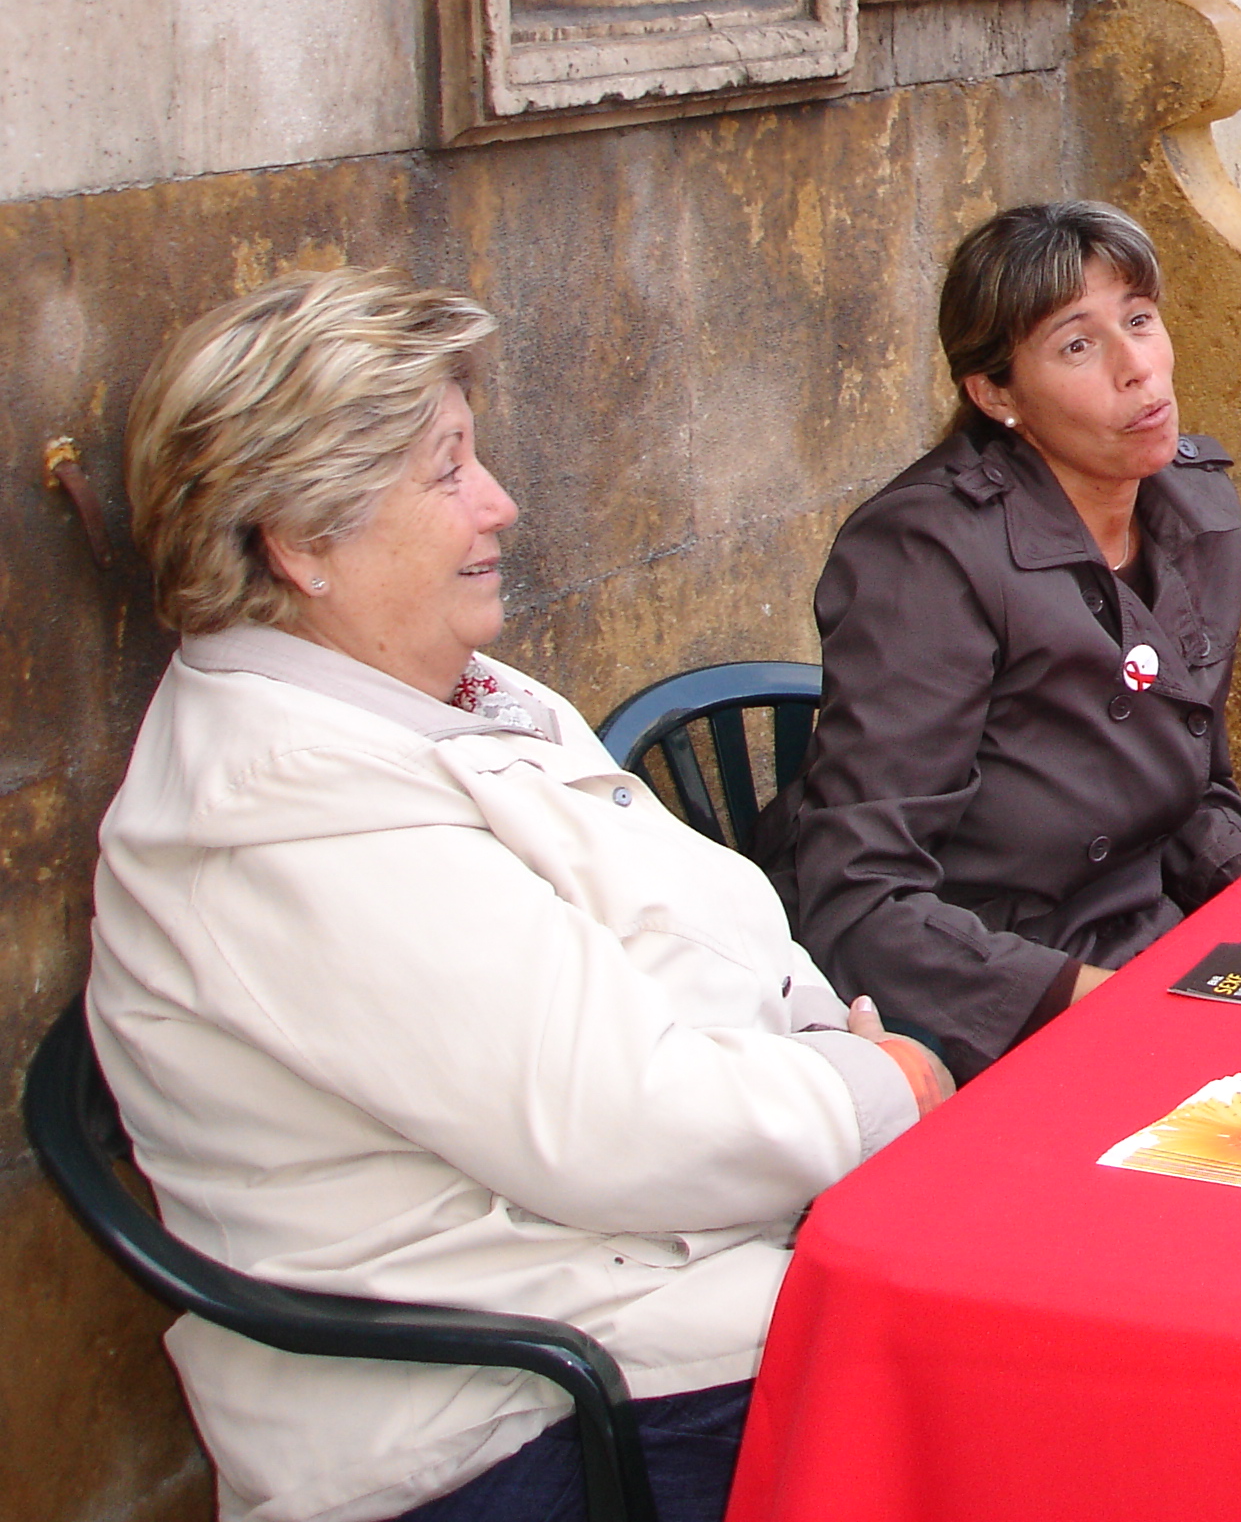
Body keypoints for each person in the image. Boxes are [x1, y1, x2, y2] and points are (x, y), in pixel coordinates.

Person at [90, 269, 946, 1522]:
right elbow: (625, 1127)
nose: (500, 505)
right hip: (517, 1417)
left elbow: (696, 944)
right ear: (301, 541)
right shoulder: (278, 814)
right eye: (446, 473)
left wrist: (818, 1064)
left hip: (665, 1300)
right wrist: (877, 1089)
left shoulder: (461, 696)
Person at [761, 201, 1241, 1082]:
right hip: (981, 991)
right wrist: (1107, 1003)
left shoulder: (1195, 510)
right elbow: (862, 900)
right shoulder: (929, 554)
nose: (1137, 367)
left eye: (1139, 321)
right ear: (995, 395)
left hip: (1144, 947)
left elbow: (1193, 794)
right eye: (1078, 345)